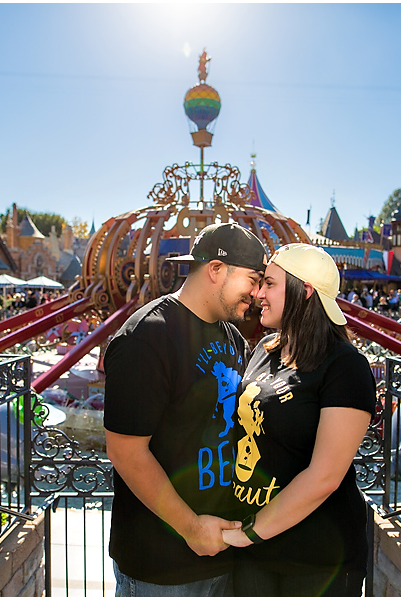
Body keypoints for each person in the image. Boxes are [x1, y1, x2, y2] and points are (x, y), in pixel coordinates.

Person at [104, 222, 268, 596]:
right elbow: (126, 453)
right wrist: (192, 528)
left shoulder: (232, 337)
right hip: (161, 568)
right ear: (215, 270)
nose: (257, 293)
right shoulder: (146, 337)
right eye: (253, 279)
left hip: (223, 557)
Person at [222, 243, 376, 596]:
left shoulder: (344, 366)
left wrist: (248, 532)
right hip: (254, 553)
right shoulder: (264, 349)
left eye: (270, 284)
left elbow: (325, 476)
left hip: (316, 560)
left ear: (304, 291)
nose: (259, 293)